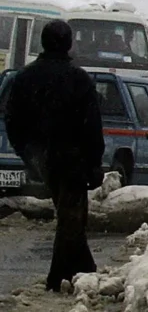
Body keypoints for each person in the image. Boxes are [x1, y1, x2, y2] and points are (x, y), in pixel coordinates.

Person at [3, 20, 104, 292]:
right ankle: (56, 279)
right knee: (71, 218)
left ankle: (85, 271)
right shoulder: (78, 79)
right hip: (72, 159)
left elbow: (12, 120)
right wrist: (95, 164)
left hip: (42, 158)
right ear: (69, 43)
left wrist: (27, 154)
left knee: (71, 216)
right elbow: (92, 126)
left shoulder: (24, 78)